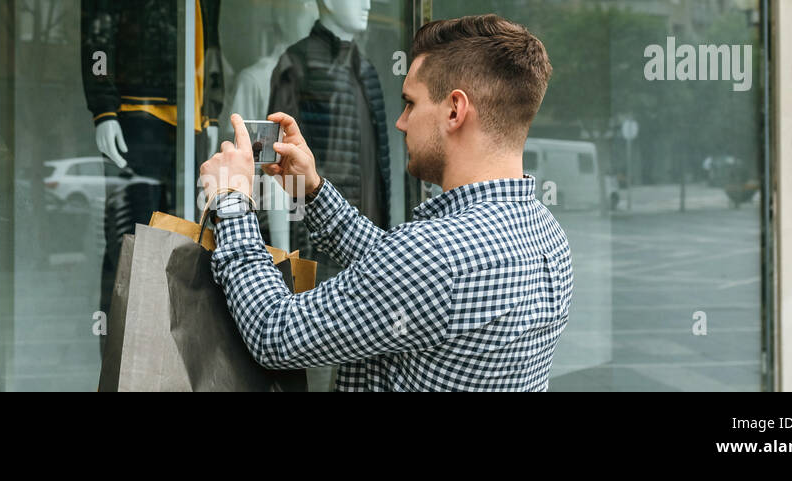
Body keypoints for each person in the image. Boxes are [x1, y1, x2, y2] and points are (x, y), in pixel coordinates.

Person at [199, 14, 573, 392]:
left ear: (455, 110)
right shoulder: (548, 236)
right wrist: (311, 191)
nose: (400, 122)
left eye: (410, 103)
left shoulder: (434, 255)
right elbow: (394, 271)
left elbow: (274, 333)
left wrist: (231, 201)